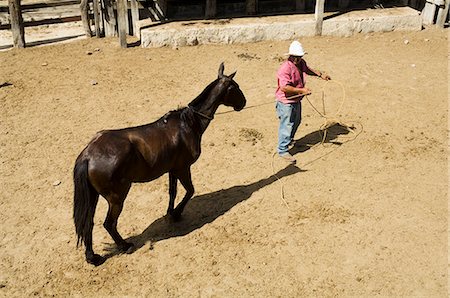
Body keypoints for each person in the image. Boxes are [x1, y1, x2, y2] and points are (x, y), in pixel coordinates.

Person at [275, 40, 331, 164]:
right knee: (287, 124)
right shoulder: (285, 68)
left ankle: (289, 140)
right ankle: (282, 149)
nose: (297, 59)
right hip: (286, 102)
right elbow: (284, 87)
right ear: (290, 56)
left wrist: (320, 74)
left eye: (299, 57)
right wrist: (301, 91)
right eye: (295, 57)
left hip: (296, 99)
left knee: (297, 121)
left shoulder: (301, 63)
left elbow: (307, 69)